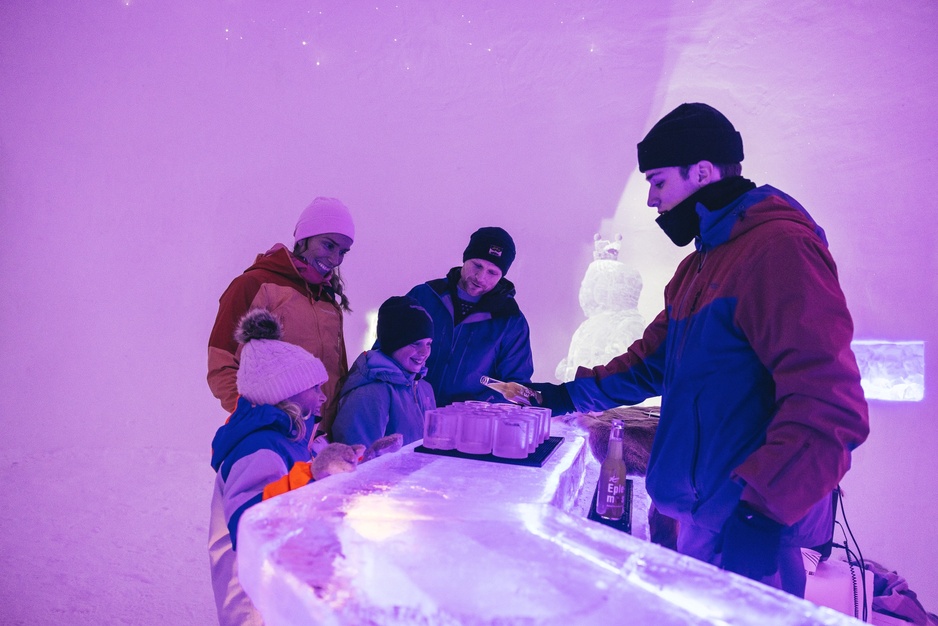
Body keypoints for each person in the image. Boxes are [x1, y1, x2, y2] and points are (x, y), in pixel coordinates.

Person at [527, 103, 870, 597]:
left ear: (703, 172)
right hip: (699, 522)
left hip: (748, 532)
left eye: (659, 181)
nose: (651, 199)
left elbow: (828, 403)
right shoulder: (699, 268)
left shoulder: (779, 250)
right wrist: (565, 395)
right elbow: (651, 363)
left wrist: (763, 512)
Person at [208, 308, 365, 626]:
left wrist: (366, 462)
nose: (323, 398)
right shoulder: (260, 448)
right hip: (253, 597)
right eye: (314, 389)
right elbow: (251, 522)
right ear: (286, 393)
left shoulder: (293, 436)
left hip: (277, 581)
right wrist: (314, 473)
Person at [208, 197, 354, 438]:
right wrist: (263, 423)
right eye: (328, 245)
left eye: (343, 252)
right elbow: (221, 366)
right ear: (304, 239)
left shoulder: (328, 300)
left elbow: (336, 377)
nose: (336, 259)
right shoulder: (255, 285)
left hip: (319, 441)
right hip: (277, 436)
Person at [403, 226, 534, 407]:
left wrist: (476, 410)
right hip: (409, 410)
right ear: (465, 259)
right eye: (477, 265)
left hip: (467, 426)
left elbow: (516, 386)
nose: (480, 277)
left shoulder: (511, 322)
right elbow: (387, 351)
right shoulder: (424, 297)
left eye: (492, 272)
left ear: (502, 275)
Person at [333, 296, 436, 449]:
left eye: (428, 344)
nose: (424, 352)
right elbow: (360, 459)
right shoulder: (370, 393)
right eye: (416, 344)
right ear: (394, 342)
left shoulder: (423, 388)